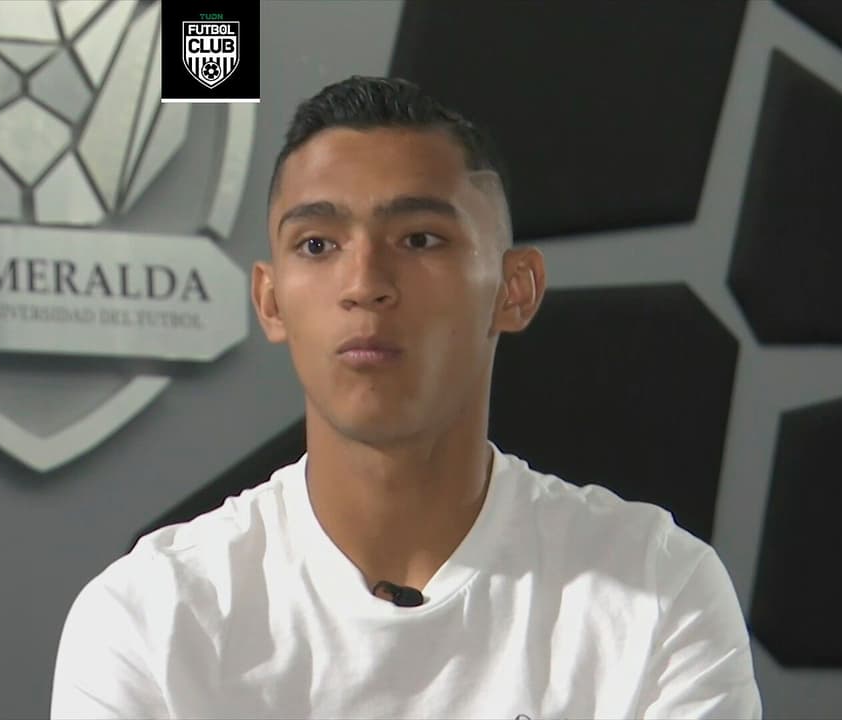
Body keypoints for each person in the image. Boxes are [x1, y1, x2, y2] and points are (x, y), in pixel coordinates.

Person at [51, 76, 762, 719]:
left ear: (515, 289)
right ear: (270, 301)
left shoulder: (657, 594)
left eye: (419, 239)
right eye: (318, 245)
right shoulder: (150, 618)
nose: (365, 283)